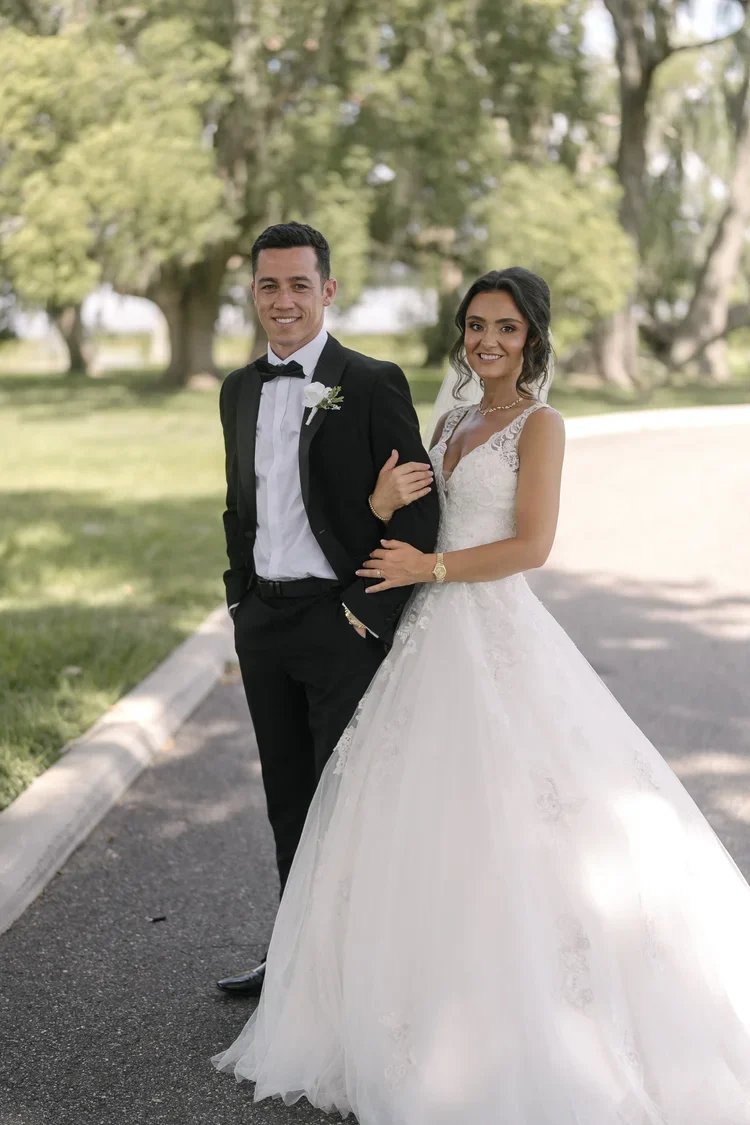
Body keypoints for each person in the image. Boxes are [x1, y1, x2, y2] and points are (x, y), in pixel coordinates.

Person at [213, 267, 750, 1123]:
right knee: (401, 813)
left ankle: (524, 1001)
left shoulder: (542, 425)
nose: (487, 342)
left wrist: (432, 567)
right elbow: (412, 510)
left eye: (505, 329)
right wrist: (381, 503)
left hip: (491, 623)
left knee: (513, 812)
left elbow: (533, 543)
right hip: (423, 630)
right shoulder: (455, 418)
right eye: (475, 326)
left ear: (532, 339)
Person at [216, 222, 439, 997]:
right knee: (286, 799)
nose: (283, 301)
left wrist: (362, 615)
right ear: (254, 292)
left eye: (299, 284)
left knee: (342, 801)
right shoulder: (237, 387)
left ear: (329, 290)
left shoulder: (371, 381)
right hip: (264, 623)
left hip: (339, 623)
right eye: (269, 285)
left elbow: (417, 514)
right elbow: (241, 504)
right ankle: (295, 960)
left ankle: (355, 974)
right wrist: (239, 595)